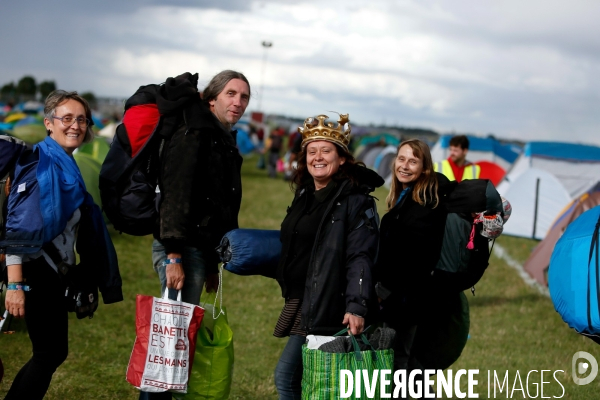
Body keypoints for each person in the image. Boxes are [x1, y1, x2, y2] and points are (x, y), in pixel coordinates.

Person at [2, 90, 122, 399]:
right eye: (66, 118)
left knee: (52, 352)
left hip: (51, 272)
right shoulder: (38, 165)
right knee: (49, 353)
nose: (75, 126)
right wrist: (15, 286)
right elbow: (19, 225)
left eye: (81, 119)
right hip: (34, 270)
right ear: (49, 124)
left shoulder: (67, 166)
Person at [141, 70, 250, 399]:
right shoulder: (196, 131)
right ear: (212, 98)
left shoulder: (220, 135)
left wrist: (216, 260)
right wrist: (173, 255)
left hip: (198, 249)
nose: (238, 102)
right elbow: (176, 192)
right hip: (181, 247)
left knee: (176, 341)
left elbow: (218, 204)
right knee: (170, 345)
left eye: (244, 96)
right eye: (231, 94)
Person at [273, 114, 383, 399]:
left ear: (342, 158)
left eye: (325, 150)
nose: (317, 157)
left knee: (288, 376)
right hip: (302, 299)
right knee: (311, 381)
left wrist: (357, 305)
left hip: (330, 302)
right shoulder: (305, 194)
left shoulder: (356, 201)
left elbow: (361, 255)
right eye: (311, 151)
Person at [374, 139, 455, 398]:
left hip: (404, 300)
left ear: (424, 168)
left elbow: (412, 260)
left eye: (413, 161)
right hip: (403, 298)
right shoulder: (408, 197)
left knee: (398, 365)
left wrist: (383, 291)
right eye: (401, 159)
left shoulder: (424, 205)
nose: (405, 166)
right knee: (406, 365)